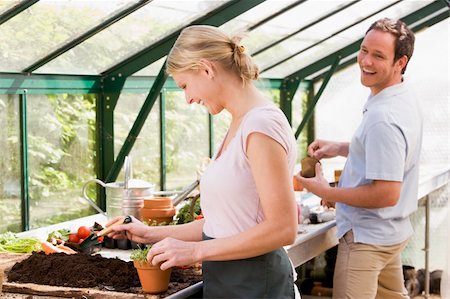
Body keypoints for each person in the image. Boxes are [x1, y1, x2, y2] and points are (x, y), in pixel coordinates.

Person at [108, 25, 300, 298]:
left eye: (185, 85)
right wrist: (150, 234)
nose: (187, 99)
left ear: (207, 69)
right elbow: (225, 223)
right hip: (230, 282)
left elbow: (283, 228)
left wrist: (196, 251)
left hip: (256, 284)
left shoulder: (261, 125)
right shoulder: (241, 123)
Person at [295, 18, 422, 299]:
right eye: (364, 50)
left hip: (367, 240)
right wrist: (340, 147)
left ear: (400, 62)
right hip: (390, 234)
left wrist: (327, 191)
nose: (366, 60)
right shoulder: (401, 95)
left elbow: (386, 193)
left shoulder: (383, 117)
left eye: (378, 55)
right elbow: (387, 151)